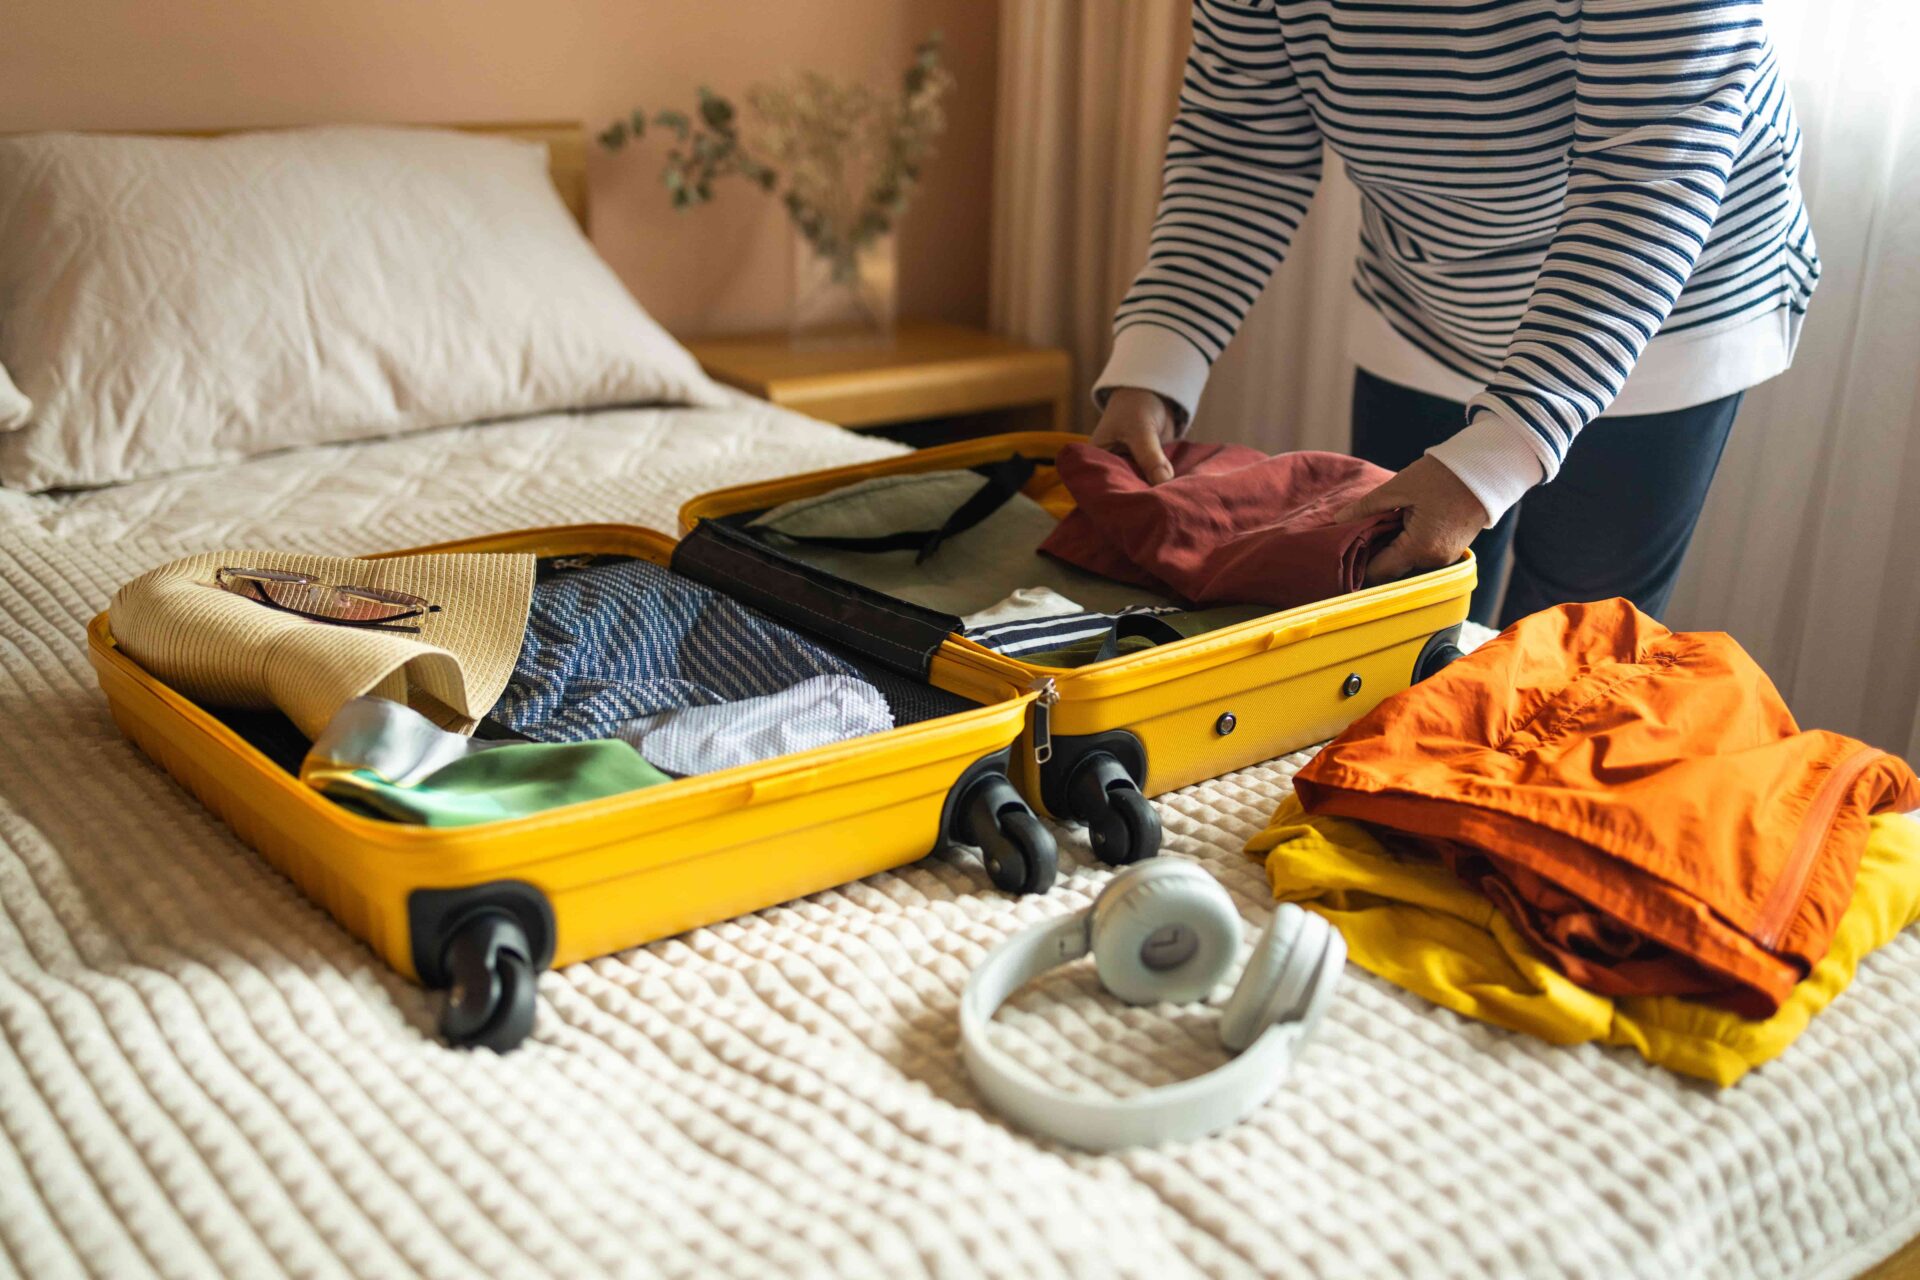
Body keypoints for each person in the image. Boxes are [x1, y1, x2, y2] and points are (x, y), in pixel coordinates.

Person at [1090, 0, 1817, 628]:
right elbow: (1241, 146)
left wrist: (1496, 458)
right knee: (1390, 628)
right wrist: (1157, 361)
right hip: (1427, 295)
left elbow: (1650, 175)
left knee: (1568, 661)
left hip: (1657, 304)